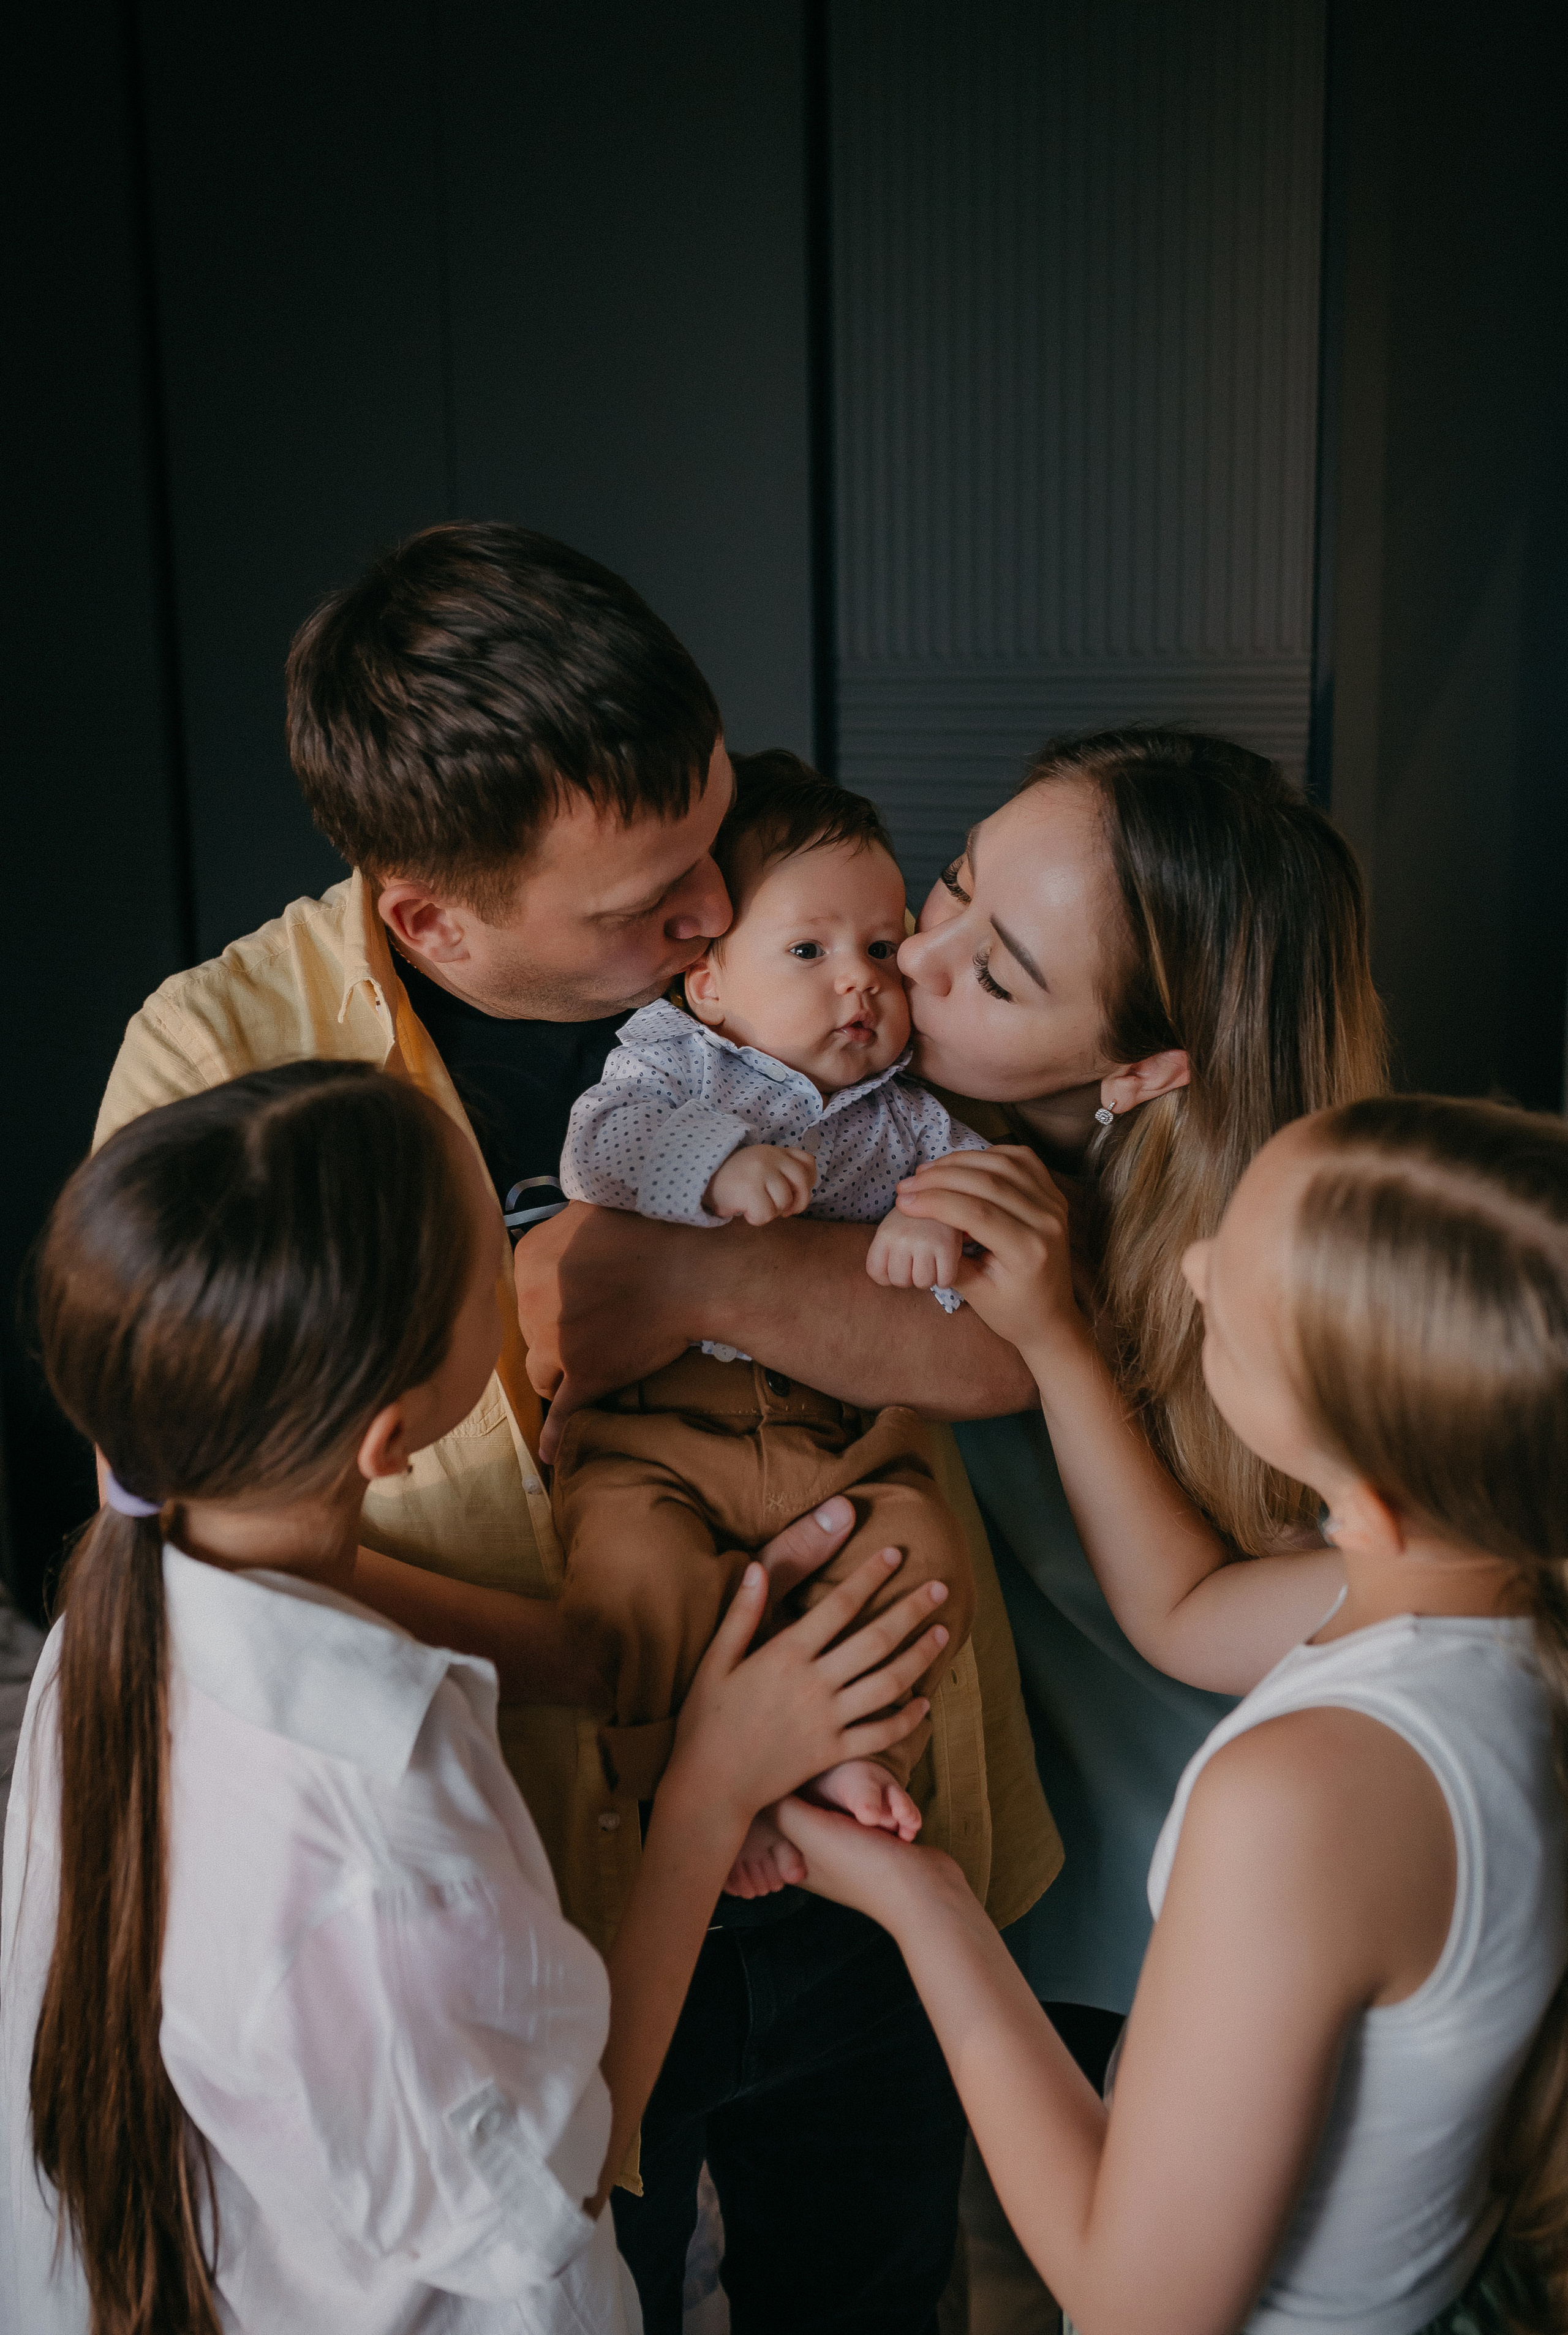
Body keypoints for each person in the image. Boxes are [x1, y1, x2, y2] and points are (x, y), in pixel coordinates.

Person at [94, 522, 1061, 2330]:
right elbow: (205, 1545)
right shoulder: (225, 1065)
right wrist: (665, 1701)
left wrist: (662, 1283)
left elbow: (1014, 1343)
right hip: (550, 1874)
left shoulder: (802, 906)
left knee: (869, 2283)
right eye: (644, 903)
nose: (712, 913)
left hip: (890, 1778)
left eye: (710, 845)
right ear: (432, 917)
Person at [1, 1062, 948, 2335]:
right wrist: (709, 1790)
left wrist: (591, 1655)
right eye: (487, 1263)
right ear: (393, 1441)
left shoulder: (109, 1615)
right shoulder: (385, 1845)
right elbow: (562, 2179)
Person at [518, 726, 1386, 2102]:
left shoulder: (1278, 1275)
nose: (906, 965)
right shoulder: (857, 1102)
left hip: (1206, 1892)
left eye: (992, 969)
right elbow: (572, 1273)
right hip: (966, 1856)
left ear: (1140, 1069)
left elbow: (1254, 1607)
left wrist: (1048, 1333)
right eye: (954, 883)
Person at [773, 1091, 1568, 2334]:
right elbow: (1185, 1610)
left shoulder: (1304, 1796)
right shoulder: (1509, 1590)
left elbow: (1139, 2306)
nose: (1193, 1261)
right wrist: (1054, 1339)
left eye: (1233, 1305)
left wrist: (920, 1901)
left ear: (1366, 1496)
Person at [555, 752, 984, 1897]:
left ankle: (855, 1761)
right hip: (661, 1429)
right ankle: (676, 1787)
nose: (861, 984)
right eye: (810, 952)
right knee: (630, 1572)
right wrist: (719, 1170)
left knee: (919, 1560)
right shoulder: (675, 1060)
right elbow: (600, 1144)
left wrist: (941, 1233)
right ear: (708, 982)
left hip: (833, 1439)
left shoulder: (908, 1115)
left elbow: (982, 1208)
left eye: (883, 950)